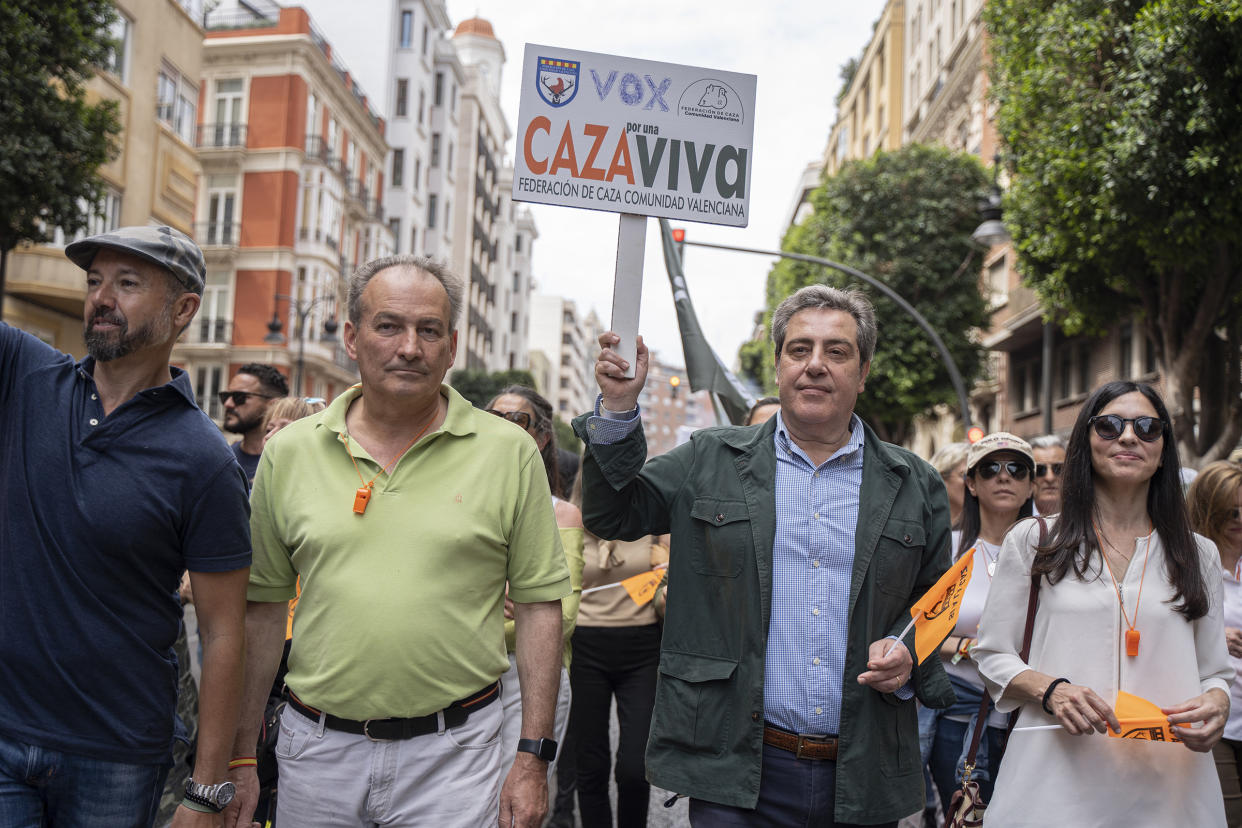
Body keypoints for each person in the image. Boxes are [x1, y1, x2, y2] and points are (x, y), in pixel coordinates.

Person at [572, 285, 954, 825]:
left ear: (863, 371)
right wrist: (618, 407)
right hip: (734, 773)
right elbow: (613, 517)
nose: (815, 365)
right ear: (778, 366)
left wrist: (907, 651)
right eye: (799, 350)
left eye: (836, 352)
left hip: (862, 774)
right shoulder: (710, 458)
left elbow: (936, 602)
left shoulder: (915, 482)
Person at [224, 254, 571, 828]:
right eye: (389, 326)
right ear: (353, 337)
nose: (410, 346)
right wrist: (240, 755)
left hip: (456, 761)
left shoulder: (508, 453)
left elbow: (539, 610)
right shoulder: (289, 453)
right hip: (316, 756)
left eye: (429, 330)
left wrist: (532, 762)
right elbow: (261, 613)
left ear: (452, 346)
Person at [0, 225, 251, 826]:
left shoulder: (204, 458)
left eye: (128, 283)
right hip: (5, 735)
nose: (102, 298)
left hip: (118, 753)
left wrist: (206, 787)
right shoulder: (26, 377)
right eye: (95, 282)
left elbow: (223, 634)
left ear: (184, 309)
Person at [974, 381, 1231, 827]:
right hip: (1056, 779)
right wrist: (1051, 690)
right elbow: (993, 653)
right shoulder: (1035, 541)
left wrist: (1217, 702)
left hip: (1170, 785)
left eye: (1148, 428)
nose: (1129, 437)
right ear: (1086, 442)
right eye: (1110, 425)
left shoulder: (1198, 553)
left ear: (1164, 448)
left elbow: (1215, 670)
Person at [918, 432, 1034, 810]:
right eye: (990, 468)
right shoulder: (947, 553)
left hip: (1030, 718)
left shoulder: (1056, 556)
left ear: (1032, 484)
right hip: (959, 716)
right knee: (965, 817)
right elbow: (919, 632)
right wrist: (969, 649)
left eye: (1017, 469)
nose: (1004, 477)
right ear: (971, 482)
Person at [486, 385, 585, 786]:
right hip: (456, 676)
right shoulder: (455, 504)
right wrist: (498, 594)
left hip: (526, 681)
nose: (505, 429)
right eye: (494, 418)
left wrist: (469, 606)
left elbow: (561, 619)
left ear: (542, 438)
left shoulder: (563, 516)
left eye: (518, 420)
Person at [568, 533, 666, 827]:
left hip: (642, 647)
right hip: (584, 646)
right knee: (591, 765)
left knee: (635, 769)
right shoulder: (573, 522)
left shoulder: (649, 519)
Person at [1188, 461, 1242, 825]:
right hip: (1214, 717)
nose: (1238, 519)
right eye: (1229, 510)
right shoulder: (1188, 564)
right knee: (1227, 815)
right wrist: (1212, 636)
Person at [221, 363, 288, 482]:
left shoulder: (287, 462)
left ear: (272, 405)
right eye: (225, 396)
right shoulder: (224, 460)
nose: (228, 403)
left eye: (239, 397)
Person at [930, 441, 970, 529]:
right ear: (941, 478)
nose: (972, 484)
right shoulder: (922, 523)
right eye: (965, 475)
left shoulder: (983, 529)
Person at [1029, 433, 1067, 516]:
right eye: (1039, 469)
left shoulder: (1089, 517)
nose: (1050, 478)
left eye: (1058, 468)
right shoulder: (1014, 518)